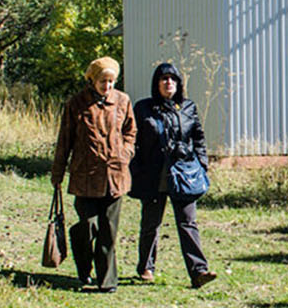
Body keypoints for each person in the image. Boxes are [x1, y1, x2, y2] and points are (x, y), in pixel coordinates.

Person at [129, 62, 217, 288]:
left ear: (178, 83)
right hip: (154, 174)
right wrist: (134, 167)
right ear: (156, 83)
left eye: (173, 79)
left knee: (188, 222)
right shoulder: (143, 108)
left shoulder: (188, 107)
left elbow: (198, 137)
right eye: (163, 79)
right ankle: (146, 267)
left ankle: (199, 271)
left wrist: (202, 162)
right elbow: (133, 139)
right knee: (151, 223)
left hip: (183, 174)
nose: (168, 82)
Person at [51, 56, 136, 292]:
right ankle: (84, 269)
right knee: (87, 226)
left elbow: (131, 131)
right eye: (102, 81)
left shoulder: (123, 101)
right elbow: (64, 140)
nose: (107, 86)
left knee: (108, 230)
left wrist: (125, 152)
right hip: (85, 177)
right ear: (92, 80)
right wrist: (57, 173)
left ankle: (107, 281)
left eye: (111, 81)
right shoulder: (76, 103)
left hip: (115, 177)